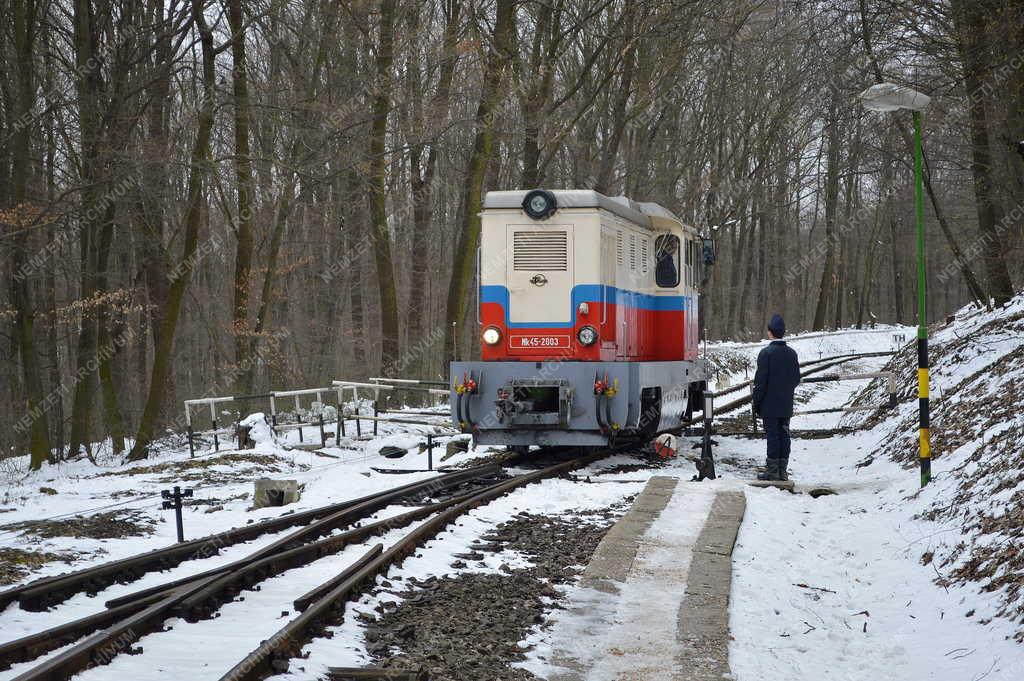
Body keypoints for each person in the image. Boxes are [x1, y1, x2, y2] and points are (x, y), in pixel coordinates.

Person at [752, 314, 800, 481]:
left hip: (769, 405)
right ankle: (782, 471)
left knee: (773, 436)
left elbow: (760, 383)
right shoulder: (792, 354)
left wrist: (756, 402)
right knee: (784, 435)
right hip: (786, 404)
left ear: (770, 332)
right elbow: (796, 379)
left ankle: (773, 472)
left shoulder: (766, 354)